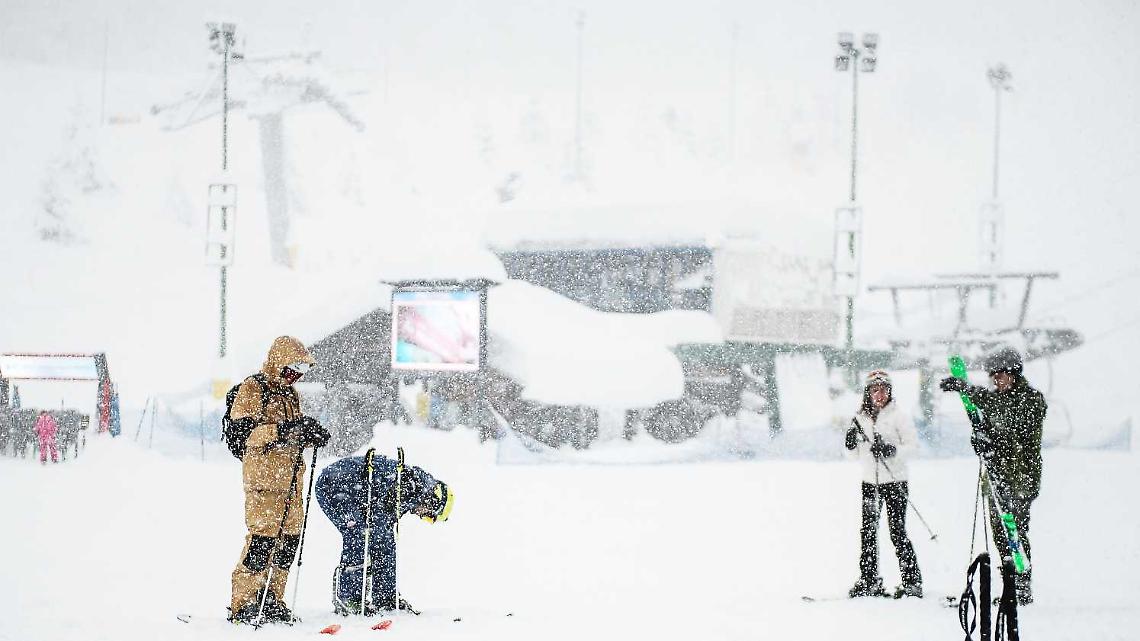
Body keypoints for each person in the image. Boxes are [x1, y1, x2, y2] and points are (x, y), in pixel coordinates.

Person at [227, 336, 331, 625]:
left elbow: (291, 434)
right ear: (278, 362)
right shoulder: (254, 388)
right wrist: (284, 431)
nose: (296, 375)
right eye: (292, 368)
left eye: (302, 370)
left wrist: (308, 434)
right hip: (264, 481)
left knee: (288, 542)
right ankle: (243, 603)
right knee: (262, 541)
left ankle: (271, 598)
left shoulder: (290, 395)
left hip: (291, 482)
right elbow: (245, 435)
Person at [940, 347, 1045, 606]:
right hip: (996, 477)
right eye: (993, 376)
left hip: (1021, 478)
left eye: (1001, 375)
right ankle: (1010, 584)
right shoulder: (996, 398)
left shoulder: (1030, 399)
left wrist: (968, 389)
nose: (996, 381)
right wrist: (981, 439)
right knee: (1000, 534)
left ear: (1014, 374)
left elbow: (1010, 423)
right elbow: (991, 425)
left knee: (1015, 530)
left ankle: (1022, 585)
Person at [316, 448, 454, 615]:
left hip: (354, 492)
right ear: (432, 501)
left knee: (384, 540)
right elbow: (379, 512)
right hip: (334, 486)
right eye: (430, 516)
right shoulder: (408, 485)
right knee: (359, 536)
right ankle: (350, 599)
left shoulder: (413, 489)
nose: (422, 517)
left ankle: (385, 597)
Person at [845, 370, 923, 599]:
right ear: (867, 393)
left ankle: (912, 582)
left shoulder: (899, 416)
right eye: (875, 390)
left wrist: (892, 450)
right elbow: (853, 456)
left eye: (884, 390)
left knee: (897, 531)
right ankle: (869, 580)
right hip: (870, 483)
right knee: (868, 531)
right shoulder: (860, 419)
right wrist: (850, 444)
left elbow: (914, 447)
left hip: (895, 482)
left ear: (890, 391)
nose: (880, 394)